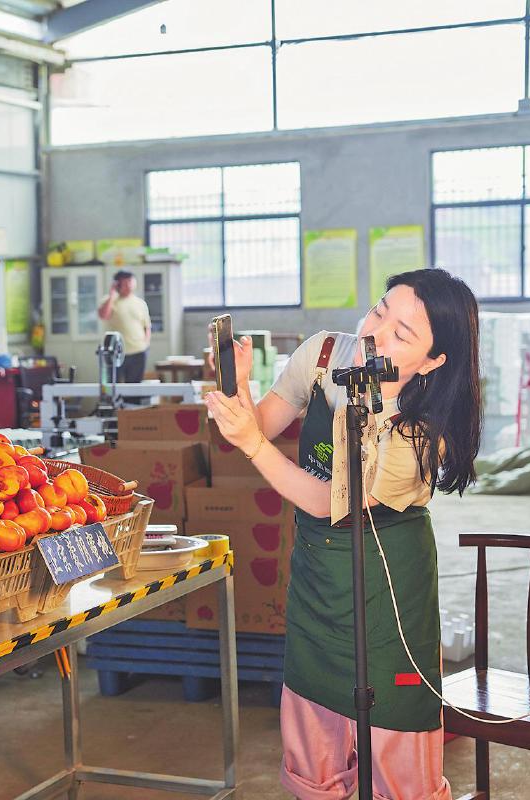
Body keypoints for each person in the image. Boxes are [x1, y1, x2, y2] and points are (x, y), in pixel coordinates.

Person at [205, 269, 481, 800]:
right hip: (318, 578)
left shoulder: (422, 434)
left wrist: (253, 447)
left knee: (398, 734)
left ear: (433, 361)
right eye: (379, 310)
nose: (374, 332)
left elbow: (328, 501)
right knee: (313, 726)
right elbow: (262, 423)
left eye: (402, 334)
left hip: (387, 591)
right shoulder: (323, 354)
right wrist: (237, 388)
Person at [97, 269, 151, 384]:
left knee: (135, 387)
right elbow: (103, 315)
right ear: (117, 284)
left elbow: (147, 327)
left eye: (130, 282)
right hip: (115, 352)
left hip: (138, 351)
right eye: (125, 283)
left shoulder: (140, 303)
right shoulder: (109, 301)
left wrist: (146, 344)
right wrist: (112, 294)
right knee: (113, 385)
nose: (128, 285)